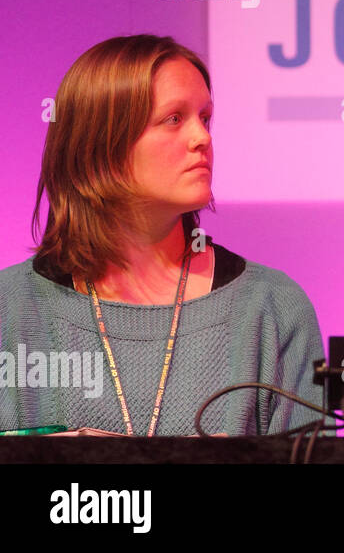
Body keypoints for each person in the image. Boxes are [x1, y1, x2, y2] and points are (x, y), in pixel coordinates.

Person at [0, 35, 325, 436]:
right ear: (100, 143)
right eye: (174, 119)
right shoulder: (10, 310)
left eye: (205, 118)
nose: (202, 138)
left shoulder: (272, 308)